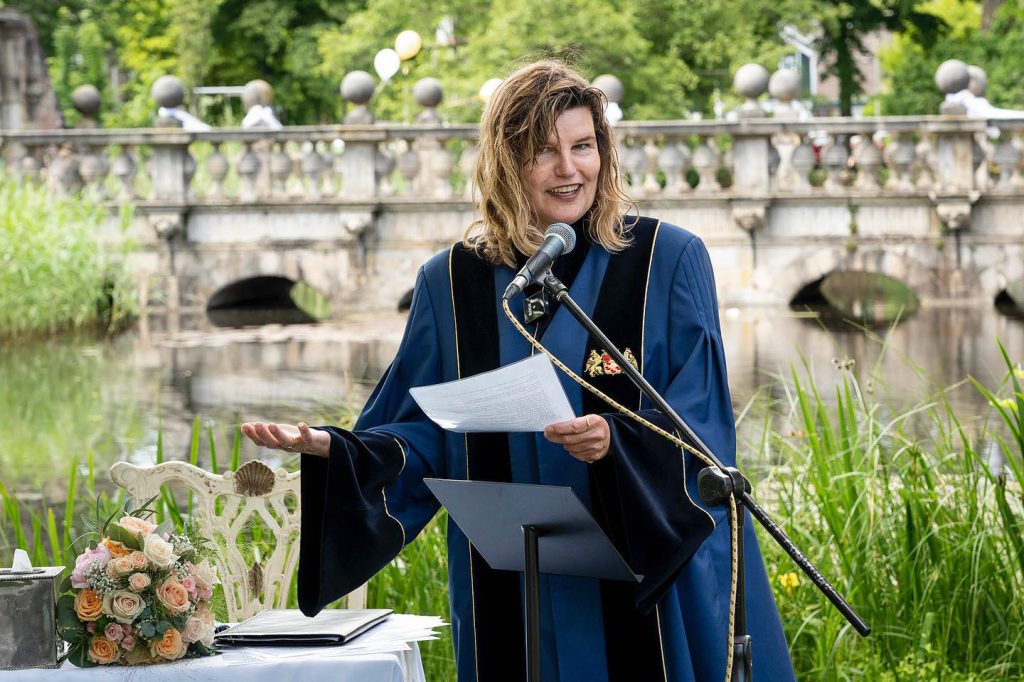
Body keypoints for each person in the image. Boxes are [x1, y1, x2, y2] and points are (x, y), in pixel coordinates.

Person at [241, 60, 795, 682]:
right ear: (505, 162)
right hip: (506, 578)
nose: (569, 169)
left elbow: (704, 428)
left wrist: (616, 441)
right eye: (544, 151)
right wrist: (337, 449)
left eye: (583, 146)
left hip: (641, 576)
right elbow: (423, 429)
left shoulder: (665, 262)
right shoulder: (451, 282)